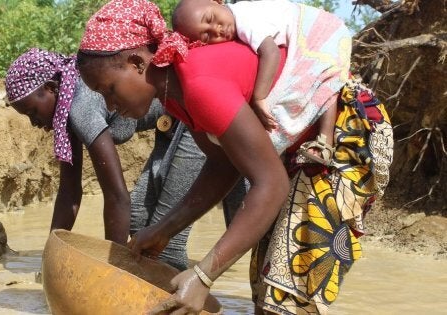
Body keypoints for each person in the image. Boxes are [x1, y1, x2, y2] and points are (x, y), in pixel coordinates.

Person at [75, 0, 393, 314]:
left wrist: (203, 275)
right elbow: (224, 164)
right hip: (299, 148)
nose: (110, 105)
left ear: (137, 63)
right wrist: (162, 231)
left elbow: (271, 184)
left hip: (343, 134)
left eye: (110, 90)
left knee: (287, 296)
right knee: (267, 291)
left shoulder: (198, 84)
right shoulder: (175, 95)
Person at [4, 48, 207, 270]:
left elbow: (117, 196)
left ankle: (173, 298)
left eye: (32, 112)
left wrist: (112, 268)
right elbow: (69, 192)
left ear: (51, 88)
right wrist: (49, 256)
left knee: (168, 241)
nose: (34, 123)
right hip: (170, 125)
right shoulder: (64, 112)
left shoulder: (81, 107)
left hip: (194, 119)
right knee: (139, 219)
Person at [172, 0, 353, 165]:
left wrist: (260, 97)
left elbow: (271, 53)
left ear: (215, 2)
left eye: (211, 18)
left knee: (320, 77)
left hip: (322, 29)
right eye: (206, 36)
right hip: (323, 25)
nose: (217, 30)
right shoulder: (236, 19)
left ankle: (325, 138)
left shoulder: (244, 19)